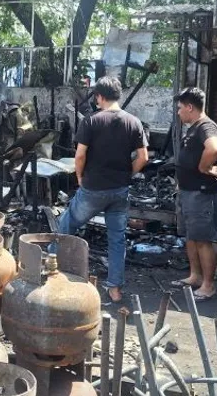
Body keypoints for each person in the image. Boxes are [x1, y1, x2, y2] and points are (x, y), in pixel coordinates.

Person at [58, 76, 149, 303]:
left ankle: (50, 270)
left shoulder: (91, 121)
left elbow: (80, 155)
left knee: (67, 225)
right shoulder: (133, 122)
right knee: (117, 239)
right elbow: (143, 157)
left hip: (94, 189)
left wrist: (79, 176)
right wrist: (128, 174)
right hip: (120, 190)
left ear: (99, 96)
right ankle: (115, 289)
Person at [172, 87, 217, 302]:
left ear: (190, 107)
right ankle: (195, 276)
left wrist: (204, 168)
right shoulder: (194, 127)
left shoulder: (206, 126)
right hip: (188, 191)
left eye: (180, 108)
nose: (178, 112)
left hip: (201, 193)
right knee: (192, 236)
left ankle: (208, 286)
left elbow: (213, 148)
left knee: (203, 239)